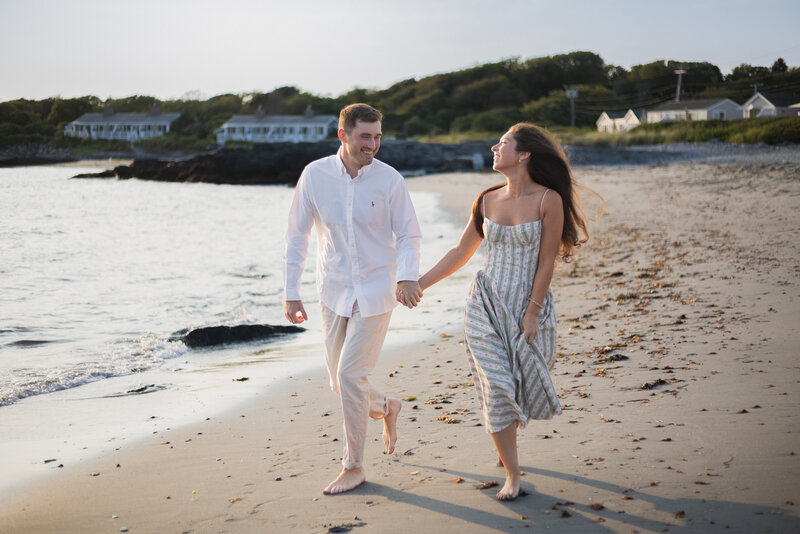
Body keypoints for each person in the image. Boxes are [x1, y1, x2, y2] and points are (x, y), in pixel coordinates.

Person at [410, 122, 589, 500]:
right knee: (497, 385)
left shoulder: (548, 200)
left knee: (519, 382)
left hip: (527, 303)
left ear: (523, 155)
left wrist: (532, 312)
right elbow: (461, 252)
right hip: (485, 303)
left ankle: (504, 444)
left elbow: (545, 262)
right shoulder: (487, 198)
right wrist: (420, 283)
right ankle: (513, 473)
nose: (495, 147)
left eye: (503, 143)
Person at [283, 103, 423, 495]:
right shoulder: (315, 176)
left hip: (378, 287)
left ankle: (354, 466)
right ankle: (387, 406)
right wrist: (290, 292)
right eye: (366, 136)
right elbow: (297, 235)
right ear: (343, 135)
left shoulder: (389, 180)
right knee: (338, 380)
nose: (373, 145)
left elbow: (409, 234)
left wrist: (409, 276)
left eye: (378, 137)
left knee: (349, 375)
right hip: (333, 288)